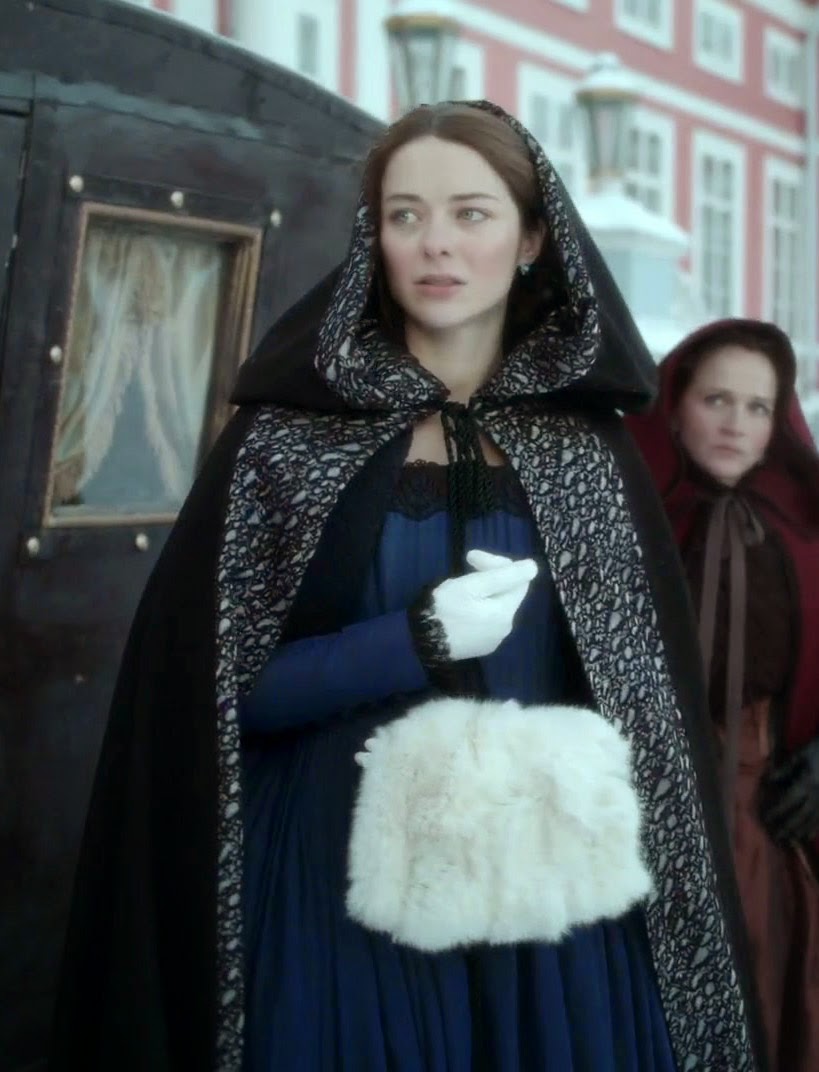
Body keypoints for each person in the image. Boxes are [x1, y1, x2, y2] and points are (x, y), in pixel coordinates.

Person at [48, 103, 766, 1072]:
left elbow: (647, 719)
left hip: (546, 906)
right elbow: (213, 698)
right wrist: (411, 639)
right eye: (405, 214)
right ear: (373, 237)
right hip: (337, 891)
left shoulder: (588, 456)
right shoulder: (290, 442)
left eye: (471, 213)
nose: (436, 243)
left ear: (532, 239)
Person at [627, 318, 819, 1071]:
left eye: (757, 406)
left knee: (760, 997)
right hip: (633, 812)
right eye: (716, 400)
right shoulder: (626, 518)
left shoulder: (805, 534)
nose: (736, 423)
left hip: (760, 821)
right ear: (674, 407)